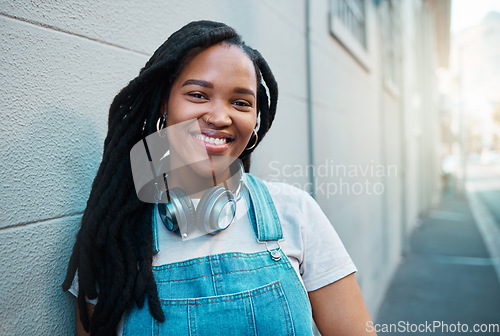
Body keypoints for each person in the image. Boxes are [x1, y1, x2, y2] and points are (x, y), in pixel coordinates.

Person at [62, 20, 376, 336]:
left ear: (256, 119)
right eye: (198, 94)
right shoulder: (114, 235)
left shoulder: (295, 212)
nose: (220, 117)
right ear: (163, 104)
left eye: (240, 102)